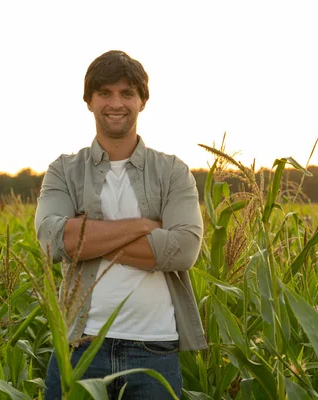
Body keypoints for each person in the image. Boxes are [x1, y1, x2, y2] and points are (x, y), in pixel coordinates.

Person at [34, 50, 206, 400]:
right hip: (80, 346)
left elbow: (183, 250)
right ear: (89, 101)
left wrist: (88, 236)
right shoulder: (64, 171)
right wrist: (144, 226)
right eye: (105, 93)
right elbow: (53, 241)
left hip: (154, 350)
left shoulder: (172, 172)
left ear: (142, 101)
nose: (116, 103)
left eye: (127, 93)